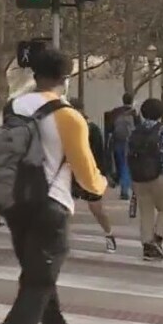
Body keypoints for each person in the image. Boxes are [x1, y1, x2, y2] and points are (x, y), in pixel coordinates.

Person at [0, 48, 104, 324]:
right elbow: (88, 178)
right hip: (50, 210)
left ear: (35, 74)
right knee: (35, 287)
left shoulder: (14, 108)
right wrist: (102, 185)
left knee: (39, 279)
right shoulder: (69, 116)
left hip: (16, 208)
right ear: (66, 77)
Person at [128, 98, 163, 261]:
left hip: (138, 177)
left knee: (146, 212)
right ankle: (157, 239)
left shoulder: (135, 131)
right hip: (160, 175)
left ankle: (147, 246)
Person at [69, 98, 117, 253]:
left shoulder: (92, 129)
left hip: (89, 172)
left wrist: (101, 174)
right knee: (63, 207)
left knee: (97, 209)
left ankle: (109, 234)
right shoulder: (68, 127)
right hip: (71, 172)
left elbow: (100, 154)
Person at [109, 93, 137, 200]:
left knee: (120, 164)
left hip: (117, 141)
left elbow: (110, 127)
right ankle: (125, 190)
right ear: (132, 100)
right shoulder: (134, 113)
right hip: (129, 142)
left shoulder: (116, 112)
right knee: (126, 165)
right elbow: (138, 128)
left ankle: (122, 186)